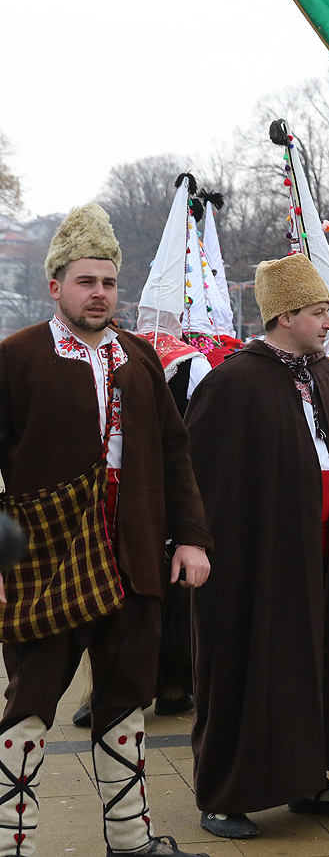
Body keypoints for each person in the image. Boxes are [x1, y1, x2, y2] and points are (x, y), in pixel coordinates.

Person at [0, 205, 213, 857]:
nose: (99, 293)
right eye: (85, 281)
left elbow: (176, 456)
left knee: (127, 701)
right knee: (30, 704)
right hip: (45, 555)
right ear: (55, 285)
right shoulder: (15, 358)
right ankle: (12, 843)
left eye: (108, 282)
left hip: (135, 552)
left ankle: (131, 840)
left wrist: (193, 538)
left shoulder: (143, 359)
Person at [186, 253, 329, 839]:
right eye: (320, 312)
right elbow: (204, 478)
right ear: (284, 315)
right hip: (262, 559)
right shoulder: (233, 382)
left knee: (323, 665)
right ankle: (225, 794)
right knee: (250, 669)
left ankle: (309, 778)